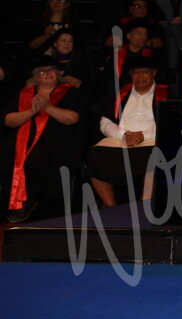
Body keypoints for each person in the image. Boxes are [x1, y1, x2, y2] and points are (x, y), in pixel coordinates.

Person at [2, 56, 81, 222]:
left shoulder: (69, 92)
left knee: (35, 157)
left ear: (59, 74)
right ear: (35, 77)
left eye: (52, 70)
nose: (48, 73)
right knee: (6, 152)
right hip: (20, 140)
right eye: (42, 71)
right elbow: (8, 120)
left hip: (54, 141)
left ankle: (29, 201)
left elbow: (72, 118)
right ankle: (10, 202)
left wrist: (48, 107)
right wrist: (31, 111)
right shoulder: (23, 94)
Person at [87, 60, 167, 206]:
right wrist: (124, 135)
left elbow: (169, 121)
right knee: (96, 155)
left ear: (153, 73)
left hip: (152, 139)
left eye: (145, 72)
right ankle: (110, 205)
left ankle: (145, 204)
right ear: (130, 74)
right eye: (136, 73)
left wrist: (143, 135)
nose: (140, 76)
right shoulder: (119, 94)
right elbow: (105, 122)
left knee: (156, 156)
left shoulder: (166, 93)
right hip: (121, 139)